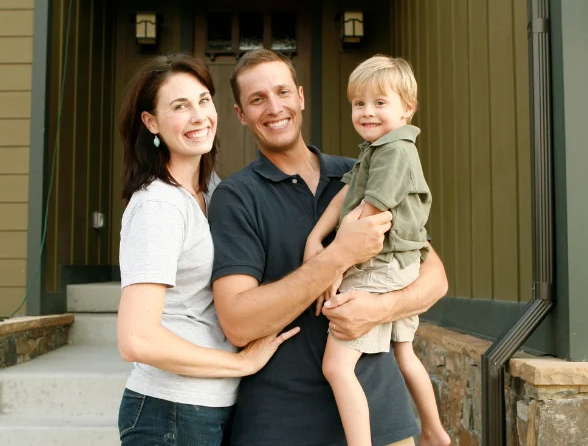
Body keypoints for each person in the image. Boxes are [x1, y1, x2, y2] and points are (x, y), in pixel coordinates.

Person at [208, 49, 449, 446]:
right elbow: (237, 322)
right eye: (257, 99)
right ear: (240, 114)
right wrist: (336, 256)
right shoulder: (237, 197)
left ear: (300, 98)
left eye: (282, 92)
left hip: (382, 422)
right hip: (282, 424)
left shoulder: (359, 171)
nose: (274, 108)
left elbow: (434, 278)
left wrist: (379, 308)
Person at [116, 53, 299, 446]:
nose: (199, 116)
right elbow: (137, 338)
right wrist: (239, 363)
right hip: (172, 412)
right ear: (151, 122)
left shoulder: (211, 190)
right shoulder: (159, 205)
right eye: (180, 106)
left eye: (203, 100)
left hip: (211, 407)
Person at [304, 55, 450, 446]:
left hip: (381, 266)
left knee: (336, 367)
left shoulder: (396, 152)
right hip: (402, 264)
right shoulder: (377, 148)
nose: (367, 112)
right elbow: (346, 194)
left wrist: (334, 263)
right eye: (359, 103)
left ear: (408, 108)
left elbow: (371, 214)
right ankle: (436, 432)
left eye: (379, 103)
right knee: (404, 354)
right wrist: (315, 238)